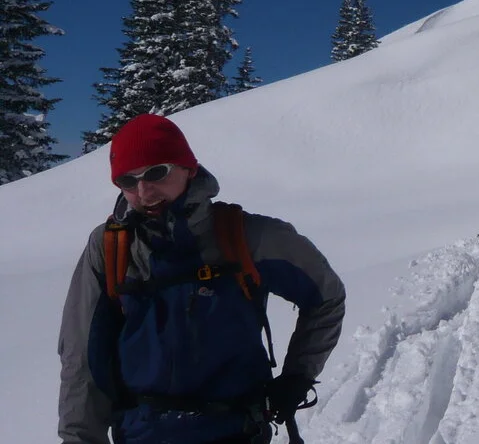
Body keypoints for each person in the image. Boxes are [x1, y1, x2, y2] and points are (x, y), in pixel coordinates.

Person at [58, 114, 347, 444]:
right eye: (127, 180)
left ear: (188, 169)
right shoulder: (110, 247)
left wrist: (298, 374)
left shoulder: (245, 236)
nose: (143, 190)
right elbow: (82, 359)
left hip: (236, 432)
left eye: (156, 172)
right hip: (141, 434)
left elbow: (326, 297)